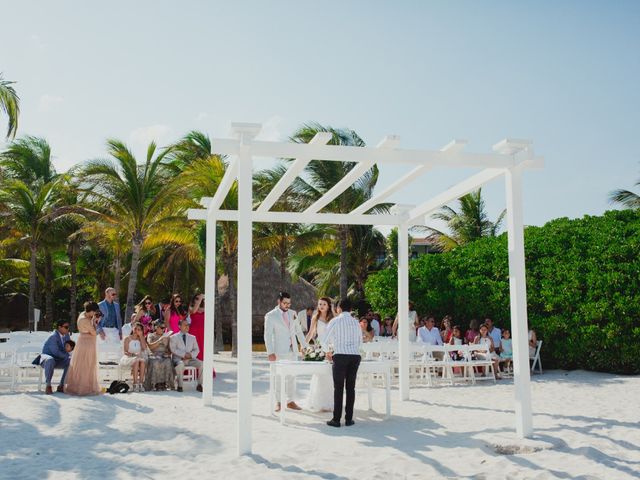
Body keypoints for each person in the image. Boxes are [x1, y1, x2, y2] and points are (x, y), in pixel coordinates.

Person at [264, 291, 307, 412]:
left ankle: (290, 401)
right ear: (279, 301)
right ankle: (278, 402)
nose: (287, 305)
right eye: (285, 303)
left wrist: (304, 346)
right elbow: (267, 335)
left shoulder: (293, 313)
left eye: (289, 303)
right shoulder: (270, 315)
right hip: (278, 351)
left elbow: (298, 332)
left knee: (292, 376)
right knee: (278, 377)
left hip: (293, 351)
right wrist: (270, 352)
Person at [324, 298, 362, 428]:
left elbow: (324, 340)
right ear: (351, 309)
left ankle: (336, 420)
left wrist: (328, 352)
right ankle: (349, 419)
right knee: (351, 388)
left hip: (340, 356)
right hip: (355, 356)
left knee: (338, 388)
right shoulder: (356, 322)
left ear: (338, 308)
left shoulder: (335, 321)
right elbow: (360, 341)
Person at [65, 302, 101, 396]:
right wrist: (96, 322)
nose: (95, 313)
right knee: (85, 365)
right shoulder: (84, 319)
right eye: (94, 311)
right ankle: (83, 388)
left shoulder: (83, 314)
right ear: (91, 310)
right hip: (87, 343)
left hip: (86, 342)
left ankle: (86, 386)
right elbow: (94, 332)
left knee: (86, 364)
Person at [305, 297, 335, 412]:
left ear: (328, 306)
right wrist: (303, 345)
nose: (321, 306)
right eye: (320, 304)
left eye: (324, 304)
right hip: (320, 348)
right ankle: (319, 402)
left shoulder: (333, 318)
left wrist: (333, 349)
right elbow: (310, 333)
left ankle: (329, 403)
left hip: (332, 349)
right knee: (319, 375)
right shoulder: (315, 318)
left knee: (330, 376)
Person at [38, 321, 72, 394]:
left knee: (71, 361)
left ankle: (61, 385)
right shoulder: (53, 337)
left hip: (58, 359)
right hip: (47, 358)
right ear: (59, 327)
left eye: (68, 327)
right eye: (66, 327)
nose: (68, 329)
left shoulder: (67, 335)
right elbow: (55, 352)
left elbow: (69, 348)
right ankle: (48, 385)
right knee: (51, 360)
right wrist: (67, 355)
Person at [170, 320, 203, 392]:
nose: (187, 327)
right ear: (179, 326)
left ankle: (200, 384)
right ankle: (180, 386)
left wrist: (190, 355)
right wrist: (184, 355)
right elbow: (173, 349)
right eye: (185, 325)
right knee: (180, 364)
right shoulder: (174, 337)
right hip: (178, 359)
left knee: (202, 364)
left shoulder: (192, 337)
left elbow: (197, 350)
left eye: (188, 325)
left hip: (190, 359)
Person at [145, 320, 174, 391]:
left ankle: (165, 383)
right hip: (153, 354)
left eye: (164, 328)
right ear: (156, 327)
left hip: (164, 355)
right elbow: (150, 347)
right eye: (161, 327)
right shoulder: (151, 335)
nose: (163, 329)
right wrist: (160, 340)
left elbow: (169, 349)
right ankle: (155, 383)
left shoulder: (166, 336)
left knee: (168, 361)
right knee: (156, 361)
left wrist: (168, 353)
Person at [120, 323, 148, 392]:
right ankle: (135, 383)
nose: (136, 331)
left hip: (139, 358)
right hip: (128, 358)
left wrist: (141, 336)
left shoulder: (141, 339)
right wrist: (133, 355)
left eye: (139, 330)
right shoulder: (127, 338)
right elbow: (125, 352)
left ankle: (141, 383)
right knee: (136, 360)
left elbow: (144, 348)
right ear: (133, 329)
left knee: (142, 361)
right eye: (135, 329)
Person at [97, 288, 123, 357]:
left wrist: (120, 332)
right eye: (113, 294)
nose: (114, 295)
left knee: (116, 350)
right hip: (104, 329)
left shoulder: (117, 305)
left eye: (115, 294)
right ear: (107, 293)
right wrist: (100, 331)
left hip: (114, 330)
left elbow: (118, 319)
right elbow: (96, 320)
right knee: (102, 353)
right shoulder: (100, 305)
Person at [188, 293, 205, 361]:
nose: (198, 300)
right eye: (196, 298)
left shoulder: (204, 308)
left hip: (203, 331)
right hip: (194, 331)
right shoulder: (190, 307)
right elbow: (194, 311)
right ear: (193, 299)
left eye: (200, 298)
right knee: (195, 348)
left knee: (203, 349)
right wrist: (200, 299)